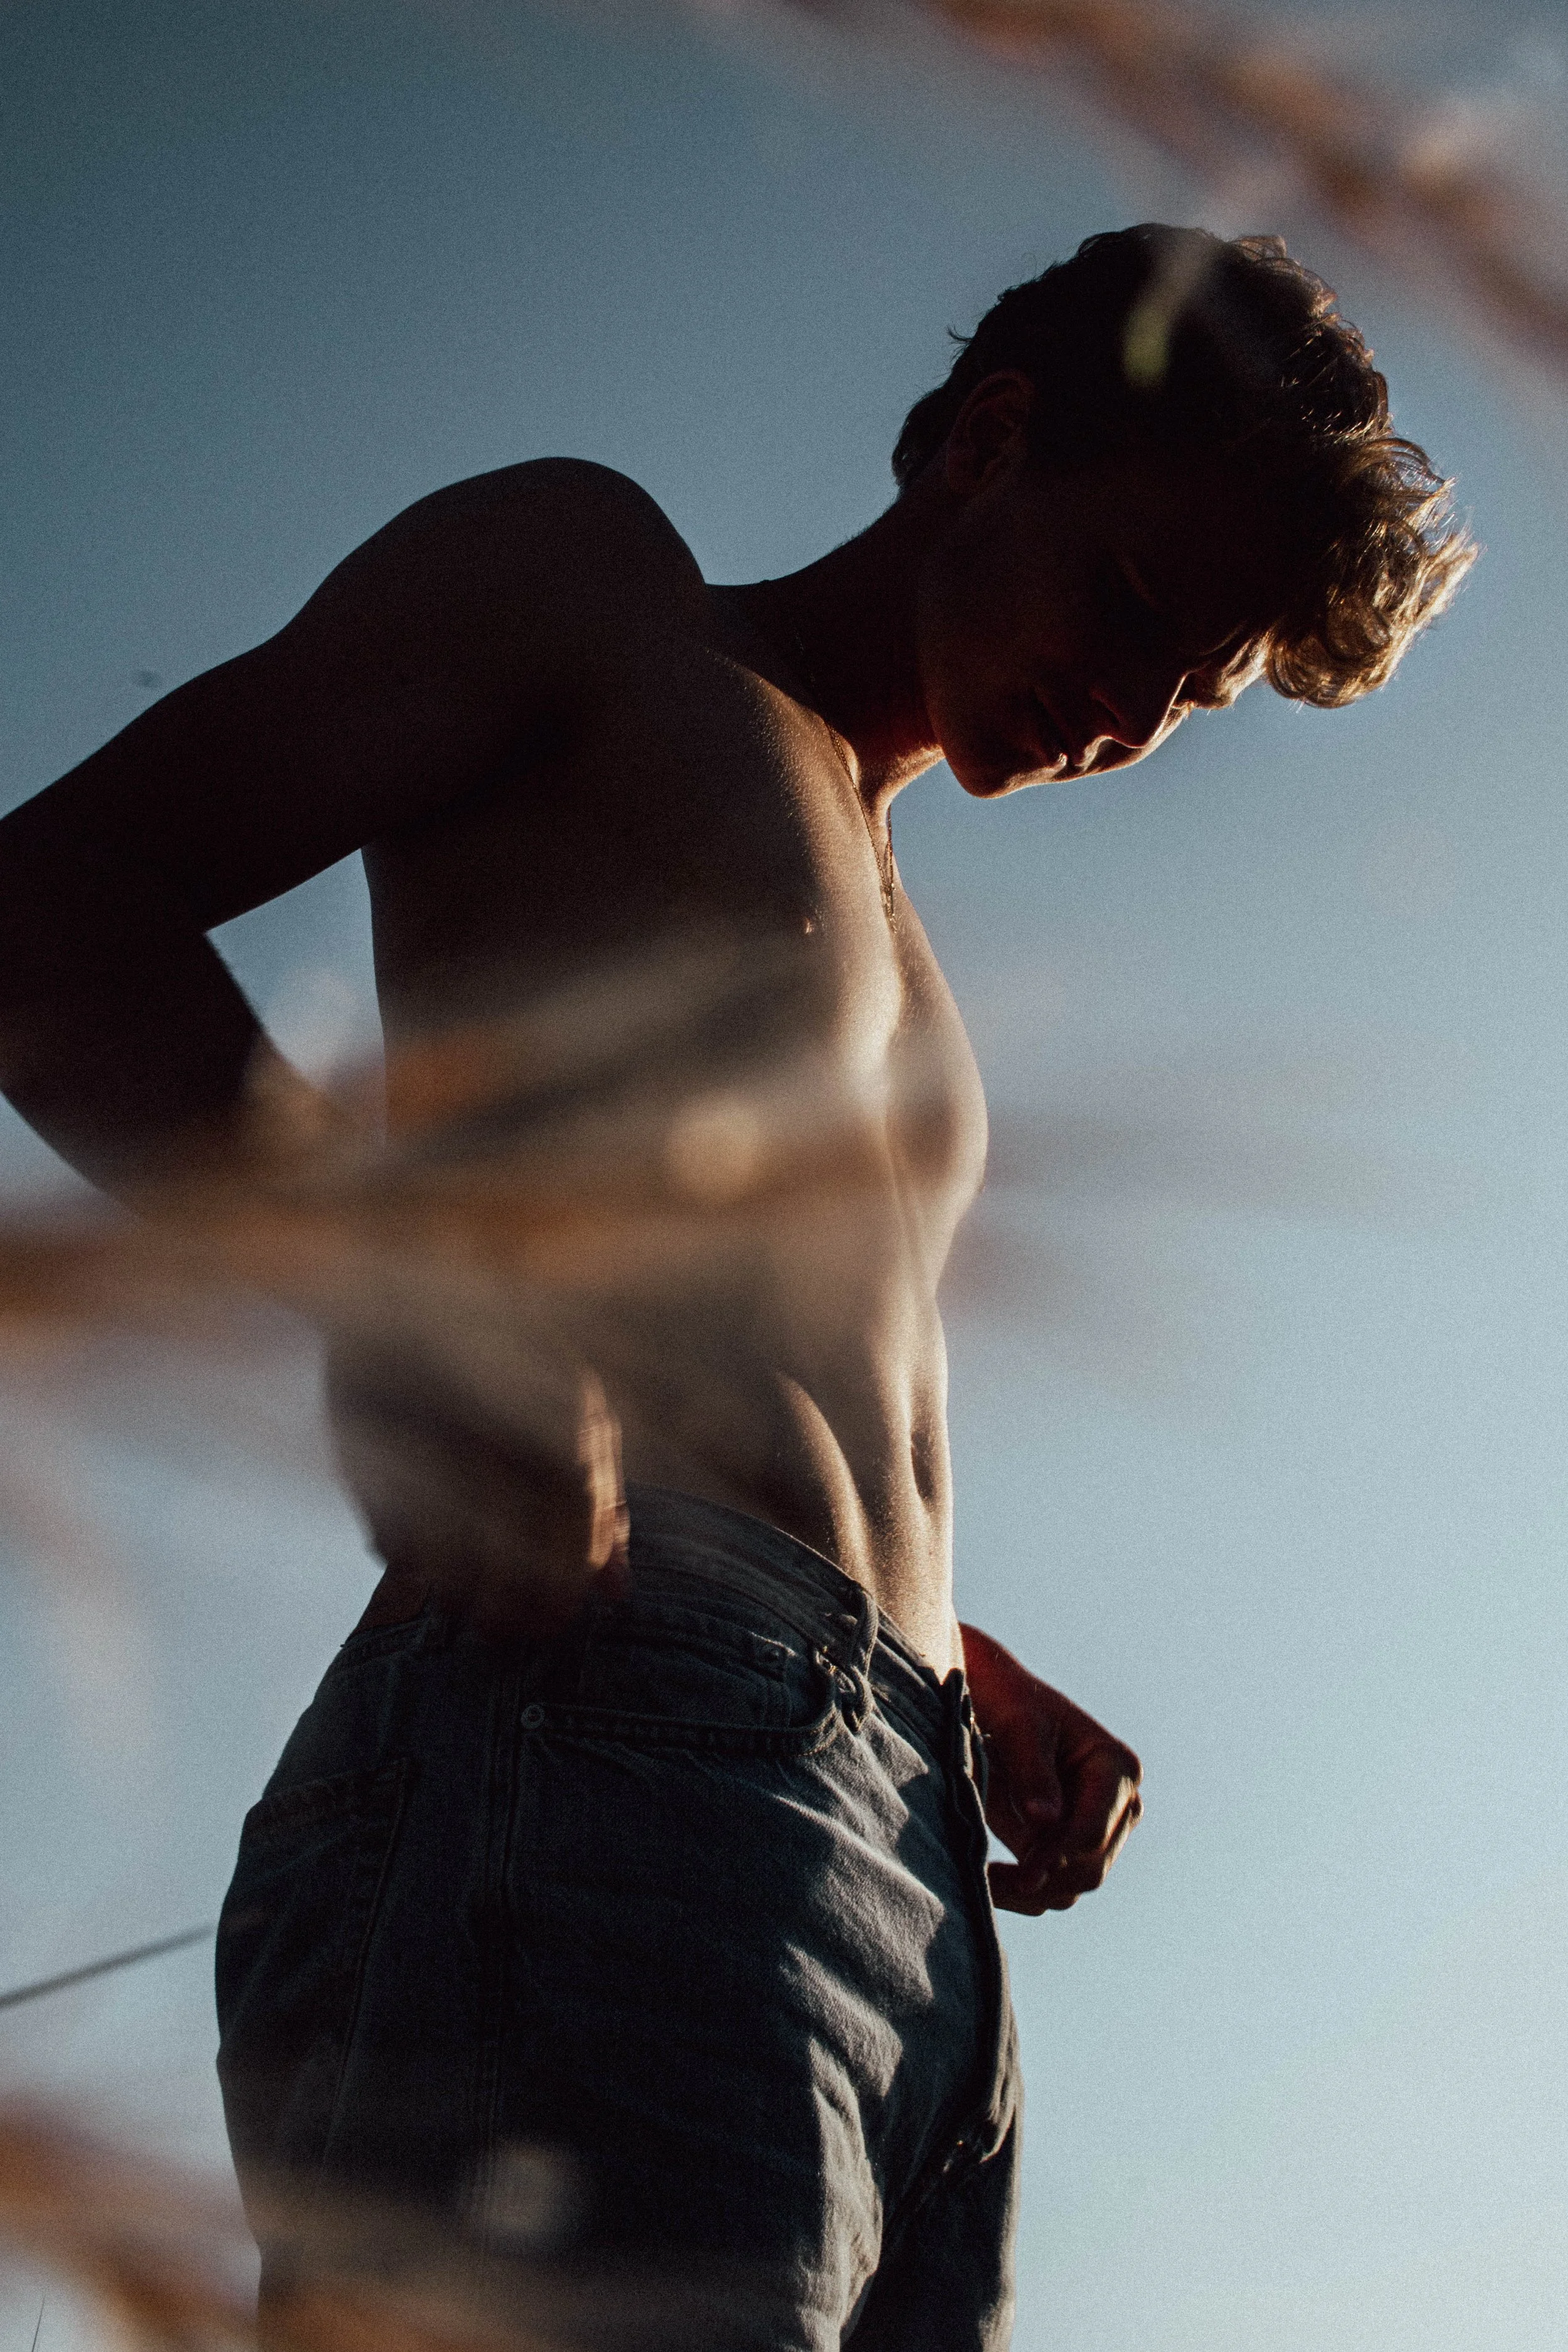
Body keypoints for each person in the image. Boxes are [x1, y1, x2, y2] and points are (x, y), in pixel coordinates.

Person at [0, 224, 1470, 2349]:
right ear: (987, 443)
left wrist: (940, 1656)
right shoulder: (602, 598)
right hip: (608, 1771)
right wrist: (394, 1320)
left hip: (903, 1889)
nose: (1136, 711)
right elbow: (50, 901)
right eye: (1137, 608)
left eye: (1198, 686)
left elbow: (771, 1357)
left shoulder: (900, 929)